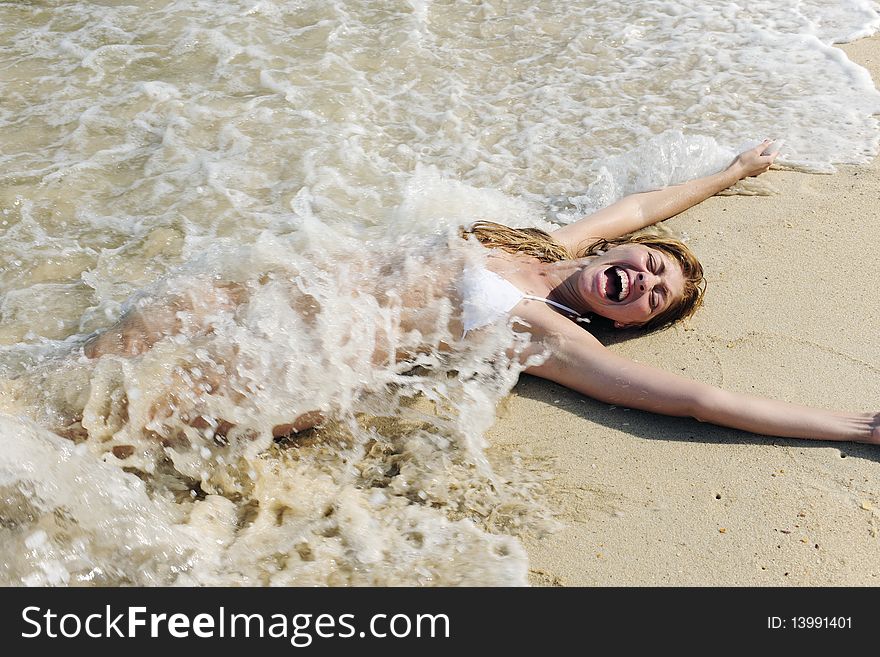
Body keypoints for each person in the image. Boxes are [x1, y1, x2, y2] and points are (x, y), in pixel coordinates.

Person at [83, 140, 879, 445]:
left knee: (90, 431)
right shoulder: (543, 245)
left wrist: (855, 425)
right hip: (255, 299)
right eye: (650, 267)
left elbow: (697, 398)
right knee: (78, 373)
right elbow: (643, 205)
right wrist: (733, 172)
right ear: (616, 249)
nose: (643, 282)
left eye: (653, 299)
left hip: (295, 365)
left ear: (630, 320)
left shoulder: (548, 333)